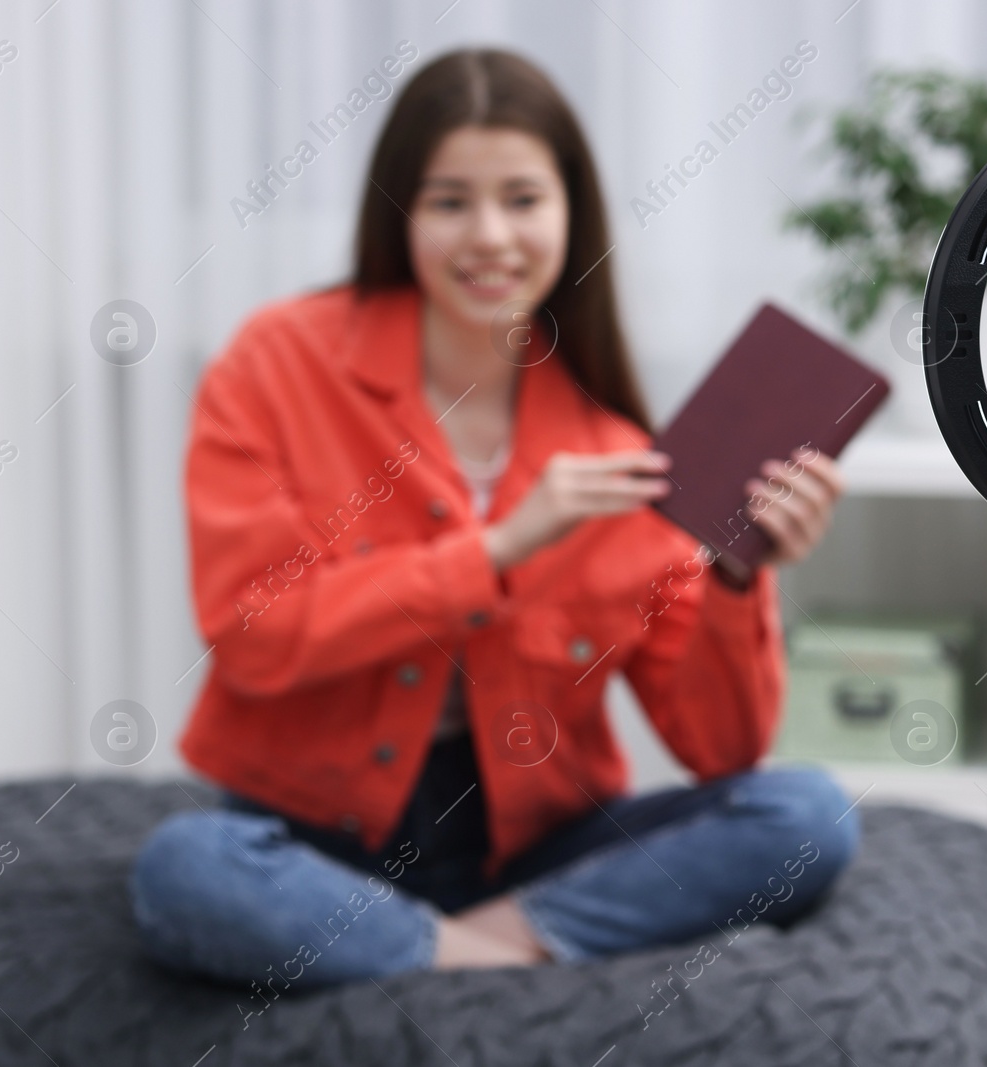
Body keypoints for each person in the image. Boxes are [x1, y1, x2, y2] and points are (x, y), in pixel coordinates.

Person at [129, 48, 859, 989]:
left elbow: (720, 750)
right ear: (401, 214)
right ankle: (489, 965)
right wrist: (500, 550)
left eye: (523, 199)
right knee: (183, 869)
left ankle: (447, 946)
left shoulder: (616, 451)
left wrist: (736, 574)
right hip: (313, 846)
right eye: (448, 202)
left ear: (570, 213)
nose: (489, 236)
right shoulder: (275, 364)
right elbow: (253, 635)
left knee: (808, 816)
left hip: (530, 859)